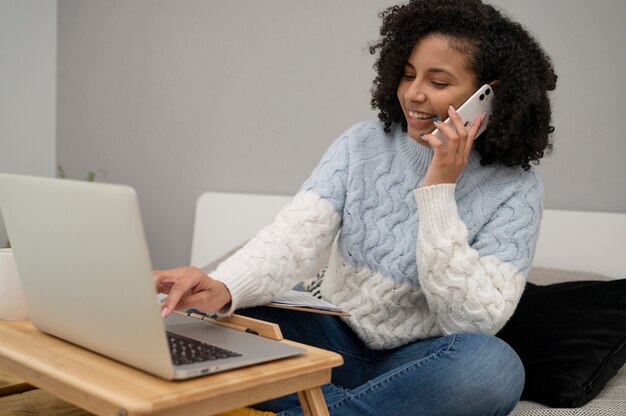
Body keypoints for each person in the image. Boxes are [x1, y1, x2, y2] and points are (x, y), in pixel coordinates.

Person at [154, 0, 557, 414]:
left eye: (437, 82)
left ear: (488, 96)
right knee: (215, 322)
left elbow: (472, 321)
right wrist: (223, 287)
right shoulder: (361, 146)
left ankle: (321, 404)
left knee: (494, 367)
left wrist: (439, 189)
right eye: (407, 74)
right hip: (333, 334)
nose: (413, 94)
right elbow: (292, 238)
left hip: (423, 361)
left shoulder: (517, 191)